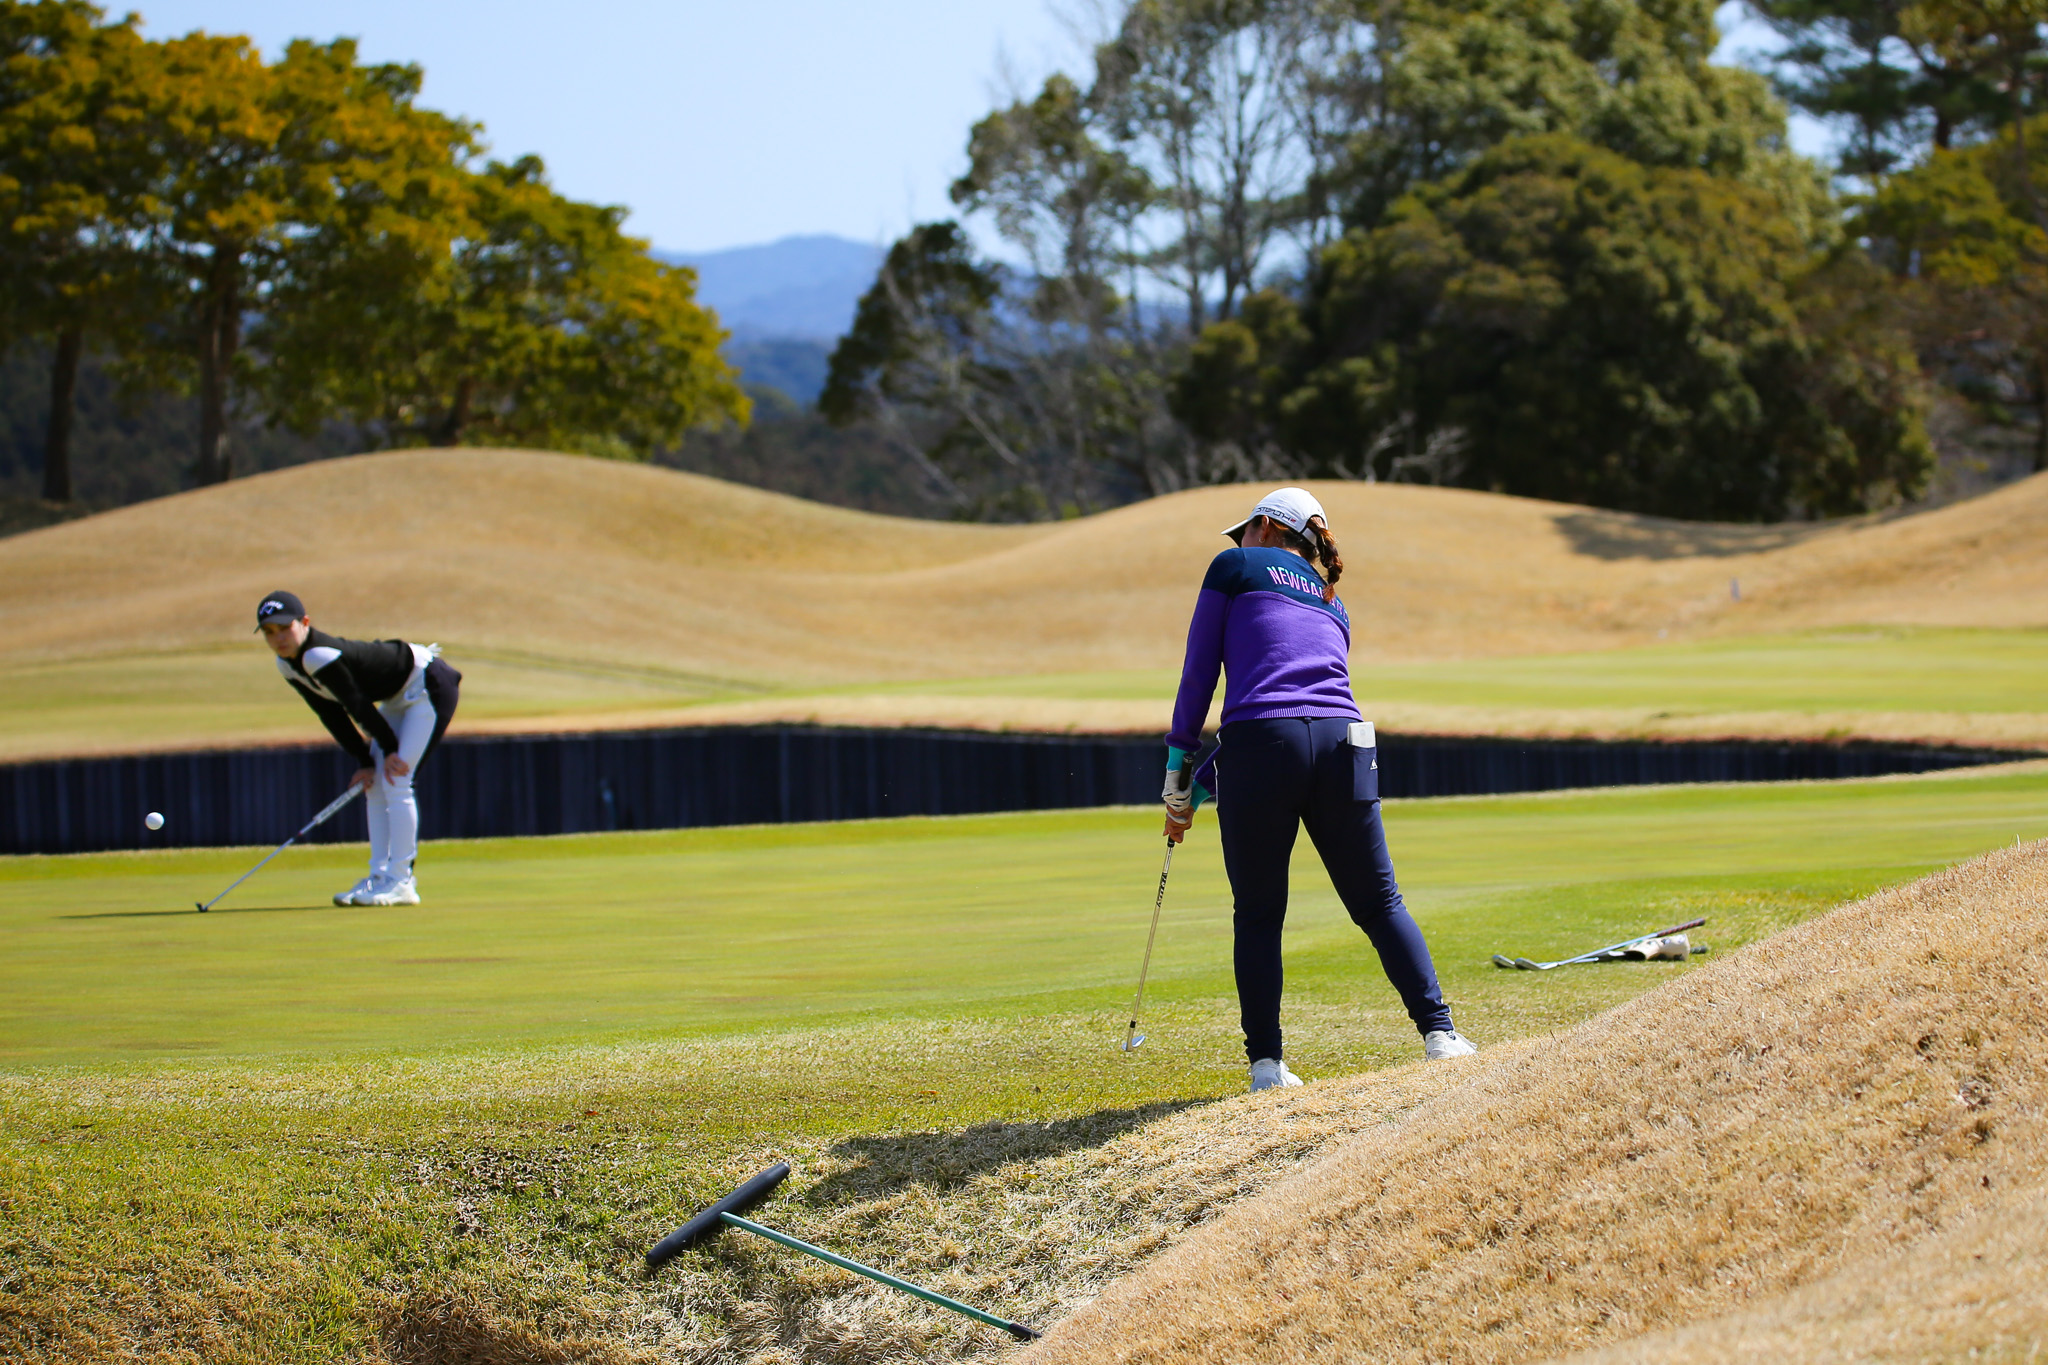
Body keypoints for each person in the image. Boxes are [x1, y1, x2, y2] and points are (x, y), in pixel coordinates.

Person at [1163, 488, 1474, 1092]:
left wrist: (1178, 771)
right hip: (1346, 744)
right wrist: (1199, 793)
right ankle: (1441, 1035)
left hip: (1264, 749)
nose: (1239, 544)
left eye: (1244, 533)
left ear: (1263, 528)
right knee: (1381, 903)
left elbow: (1206, 677)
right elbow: (1302, 709)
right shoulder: (1337, 603)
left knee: (1258, 914)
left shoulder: (1233, 566)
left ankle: (1268, 1067)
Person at [255, 590, 461, 907]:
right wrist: (364, 761)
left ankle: (401, 880)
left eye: (285, 628)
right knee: (375, 784)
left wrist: (389, 748)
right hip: (396, 697)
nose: (278, 638)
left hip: (428, 684)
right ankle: (379, 877)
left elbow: (356, 705)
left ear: (304, 623)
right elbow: (329, 713)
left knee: (397, 779)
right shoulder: (287, 665)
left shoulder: (317, 655)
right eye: (270, 632)